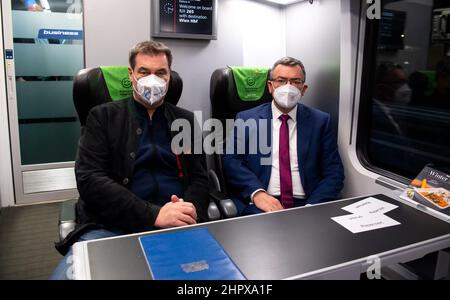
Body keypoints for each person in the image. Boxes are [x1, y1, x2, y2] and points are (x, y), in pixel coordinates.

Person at [51, 41, 209, 279]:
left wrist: (189, 210)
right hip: (112, 227)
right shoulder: (102, 117)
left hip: (179, 224)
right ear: (131, 74)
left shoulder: (185, 121)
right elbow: (90, 179)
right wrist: (153, 215)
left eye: (161, 73)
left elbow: (200, 177)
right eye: (144, 72)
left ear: (170, 78)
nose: (152, 79)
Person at [223, 57, 344, 215]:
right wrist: (257, 193)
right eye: (281, 80)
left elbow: (334, 171)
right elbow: (232, 161)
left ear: (303, 89)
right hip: (260, 203)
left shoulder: (320, 121)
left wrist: (313, 206)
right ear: (270, 86)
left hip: (308, 202)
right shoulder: (247, 119)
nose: (288, 87)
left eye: (295, 82)